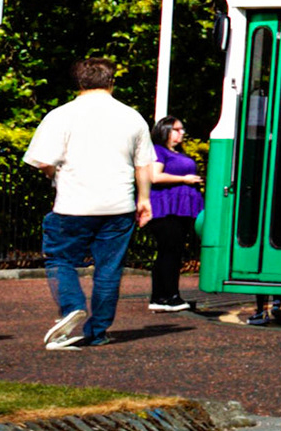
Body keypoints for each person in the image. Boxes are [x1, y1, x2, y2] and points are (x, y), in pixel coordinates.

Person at [20, 59, 163, 350]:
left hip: (73, 203)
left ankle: (72, 306)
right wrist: (144, 199)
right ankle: (97, 332)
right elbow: (143, 165)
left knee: (60, 258)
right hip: (118, 205)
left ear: (79, 82)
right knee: (109, 270)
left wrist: (54, 175)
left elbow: (42, 161)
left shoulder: (60, 115)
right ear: (112, 81)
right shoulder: (132, 117)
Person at [141, 116, 203, 313]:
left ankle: (162, 296)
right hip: (166, 207)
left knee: (171, 251)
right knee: (170, 251)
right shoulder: (159, 151)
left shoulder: (177, 153)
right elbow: (155, 176)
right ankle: (169, 296)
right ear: (165, 131)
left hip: (180, 207)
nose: (182, 133)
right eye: (177, 129)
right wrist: (184, 180)